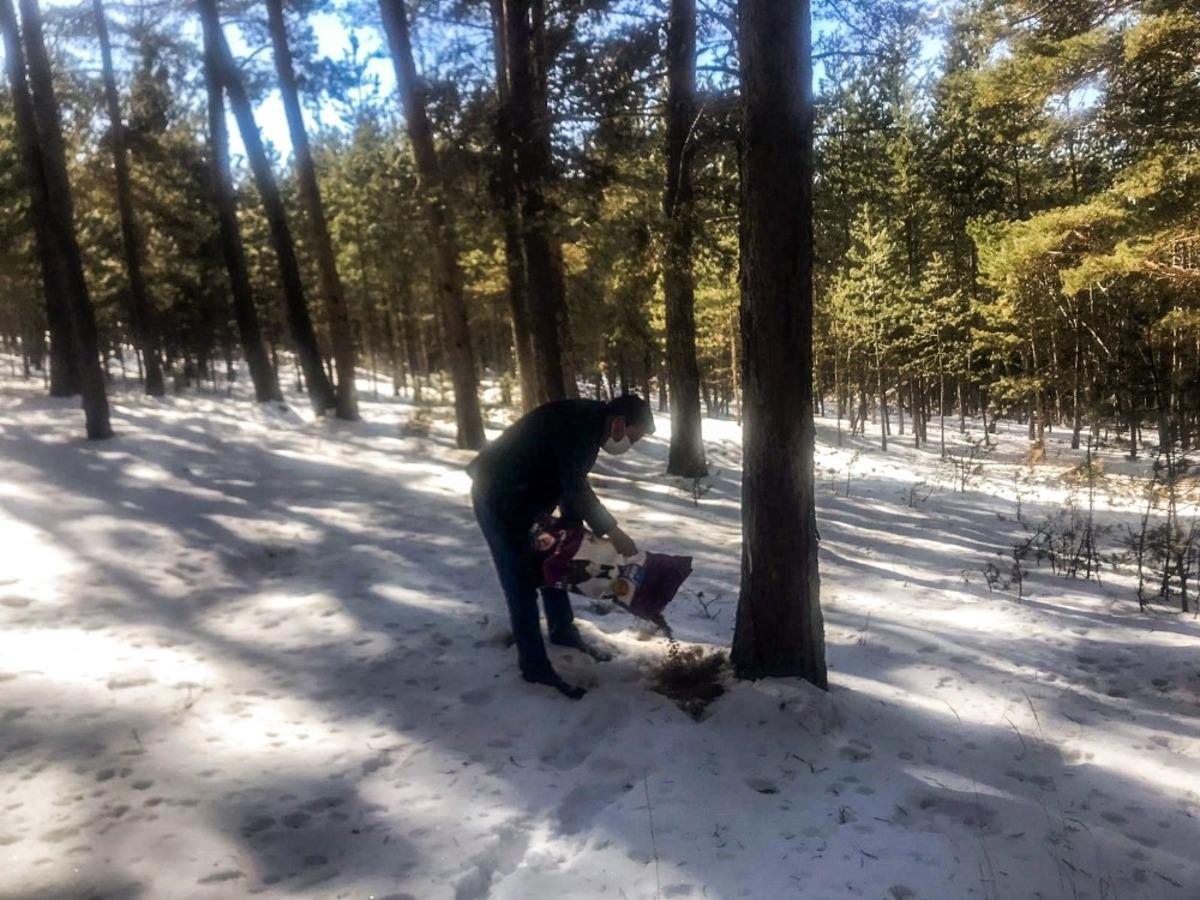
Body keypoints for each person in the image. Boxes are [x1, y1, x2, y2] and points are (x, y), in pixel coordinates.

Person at [468, 393, 655, 699]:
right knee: (520, 579)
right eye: (632, 438)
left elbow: (571, 481)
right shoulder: (580, 424)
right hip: (498, 494)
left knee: (554, 561)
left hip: (529, 499)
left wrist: (572, 530)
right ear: (620, 423)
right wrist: (612, 531)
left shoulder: (592, 426)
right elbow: (575, 485)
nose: (629, 446)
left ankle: (564, 633)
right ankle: (534, 668)